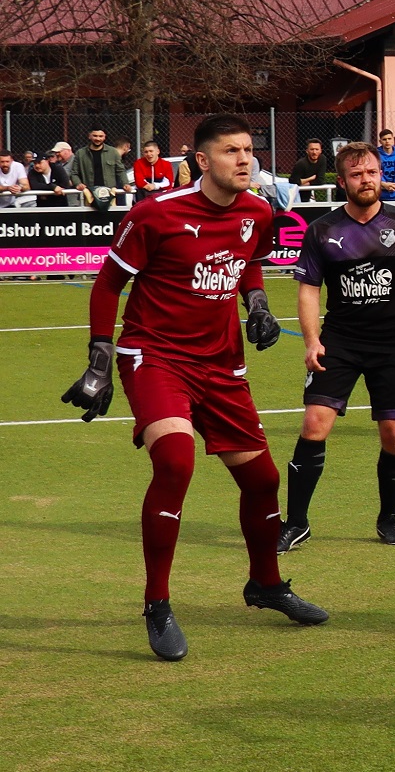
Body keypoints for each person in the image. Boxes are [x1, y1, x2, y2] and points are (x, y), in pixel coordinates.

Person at [60, 113, 327, 662]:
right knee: (176, 461)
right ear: (203, 161)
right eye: (232, 151)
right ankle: (157, 602)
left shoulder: (258, 210)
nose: (246, 159)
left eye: (249, 150)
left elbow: (248, 264)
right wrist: (99, 358)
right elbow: (109, 283)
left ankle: (266, 585)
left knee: (263, 480)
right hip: (154, 356)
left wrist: (256, 303)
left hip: (222, 366)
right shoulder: (155, 213)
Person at [279, 142, 395, 552]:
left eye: (371, 172)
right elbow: (308, 290)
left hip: (394, 343)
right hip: (341, 341)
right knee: (314, 424)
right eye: (357, 174)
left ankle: (388, 517)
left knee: (394, 434)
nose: (366, 179)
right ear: (343, 182)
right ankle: (296, 522)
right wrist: (312, 339)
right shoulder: (323, 230)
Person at [70, 127, 129, 210]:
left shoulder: (113, 152)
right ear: (89, 136)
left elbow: (120, 170)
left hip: (109, 195)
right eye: (95, 136)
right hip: (89, 195)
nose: (98, 139)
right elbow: (74, 173)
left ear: (105, 137)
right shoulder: (80, 153)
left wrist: (125, 183)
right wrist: (78, 183)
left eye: (100, 136)